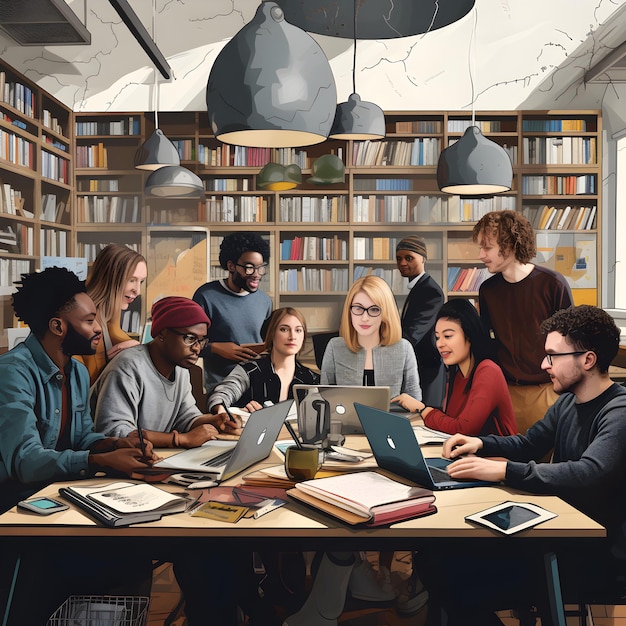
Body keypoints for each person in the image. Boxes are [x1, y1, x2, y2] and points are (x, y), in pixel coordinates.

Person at [419, 305, 626, 625]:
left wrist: (503, 470)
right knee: (433, 558)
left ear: (587, 360)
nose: (544, 365)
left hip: (592, 555)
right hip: (556, 532)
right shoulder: (570, 401)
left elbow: (589, 472)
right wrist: (482, 443)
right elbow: (529, 444)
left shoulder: (619, 412)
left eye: (553, 356)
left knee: (452, 575)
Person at [0, 267, 156, 624]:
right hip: (12, 502)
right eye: (89, 321)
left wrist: (118, 442)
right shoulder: (12, 373)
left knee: (134, 549)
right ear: (58, 327)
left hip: (53, 492)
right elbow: (25, 462)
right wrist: (99, 459)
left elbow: (82, 435)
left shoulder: (77, 371)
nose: (99, 328)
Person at [472, 210, 573, 434]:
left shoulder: (553, 284)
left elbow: (572, 342)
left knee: (547, 464)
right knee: (506, 462)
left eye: (487, 247)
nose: (480, 255)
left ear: (508, 245)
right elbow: (487, 343)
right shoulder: (487, 290)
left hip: (549, 392)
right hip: (506, 392)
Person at [92, 296, 240, 446]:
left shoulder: (181, 368)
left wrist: (215, 420)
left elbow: (185, 417)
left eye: (201, 341)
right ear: (162, 333)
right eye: (190, 338)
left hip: (153, 458)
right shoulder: (129, 367)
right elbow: (113, 432)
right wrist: (180, 439)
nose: (197, 348)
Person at [393, 299, 517, 437]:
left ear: (469, 335)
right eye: (437, 337)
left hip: (493, 456)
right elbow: (450, 424)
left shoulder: (488, 371)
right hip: (465, 454)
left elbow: (464, 429)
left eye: (448, 336)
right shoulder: (457, 376)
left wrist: (423, 409)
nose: (440, 344)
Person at [193, 232, 273, 394]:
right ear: (231, 266)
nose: (256, 274)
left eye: (260, 267)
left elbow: (268, 343)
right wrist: (215, 348)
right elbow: (188, 344)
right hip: (221, 387)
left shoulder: (265, 301)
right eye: (249, 268)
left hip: (258, 384)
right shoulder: (206, 296)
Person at [321, 275, 421, 400]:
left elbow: (415, 399)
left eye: (374, 310)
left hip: (392, 418)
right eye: (358, 308)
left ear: (385, 312)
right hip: (345, 419)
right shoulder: (335, 347)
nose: (364, 318)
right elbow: (324, 397)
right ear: (349, 310)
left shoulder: (404, 348)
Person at [208, 307, 319, 415]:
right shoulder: (250, 370)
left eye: (298, 330)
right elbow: (220, 395)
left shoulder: (311, 378)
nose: (292, 336)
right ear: (271, 334)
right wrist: (222, 411)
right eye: (284, 329)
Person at [76, 243, 148, 385]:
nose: (137, 291)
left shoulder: (108, 313)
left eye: (141, 281)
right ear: (110, 278)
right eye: (131, 280)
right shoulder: (78, 319)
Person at [396, 235, 445, 407]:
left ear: (423, 258)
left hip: (427, 372)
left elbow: (411, 335)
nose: (402, 263)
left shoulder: (431, 292)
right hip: (419, 369)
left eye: (409, 258)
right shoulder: (420, 287)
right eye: (399, 258)